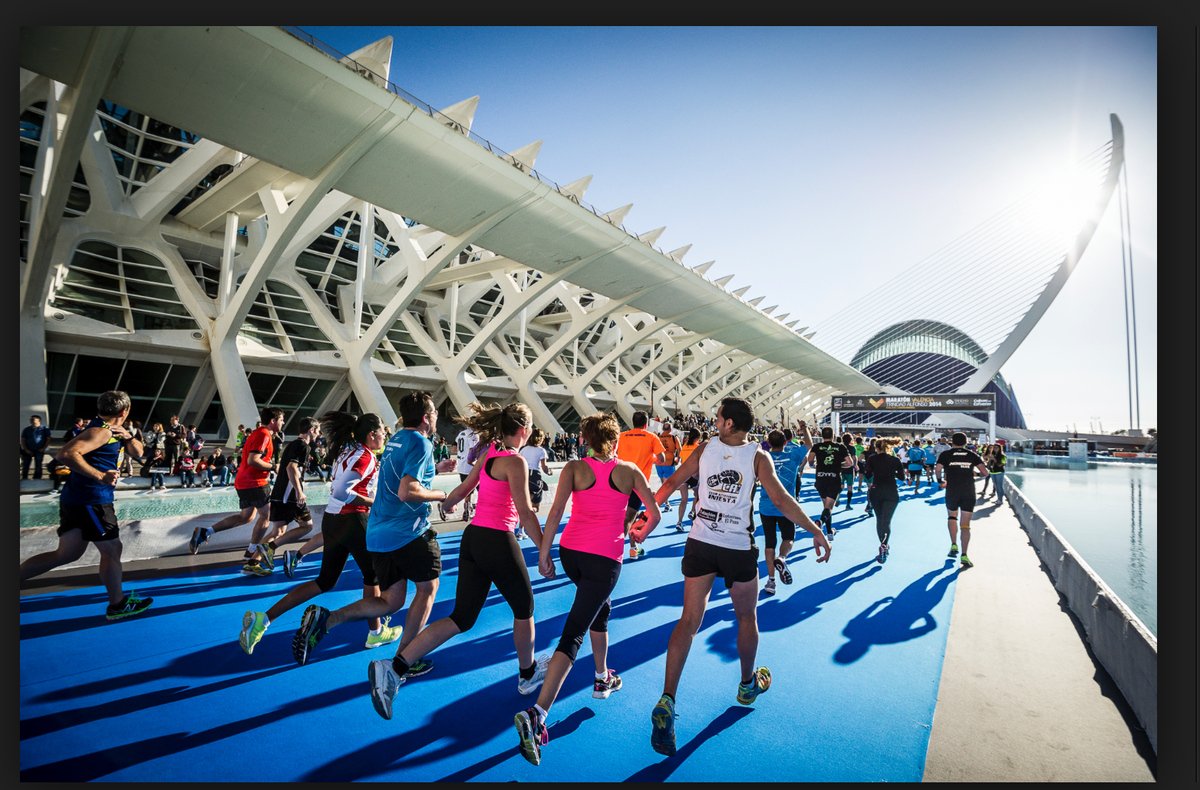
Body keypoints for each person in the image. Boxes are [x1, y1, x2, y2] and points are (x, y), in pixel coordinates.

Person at [644, 397, 832, 757]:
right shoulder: (758, 457)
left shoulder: (704, 449)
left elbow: (671, 485)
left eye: (718, 418)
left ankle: (668, 698)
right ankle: (747, 684)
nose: (714, 422)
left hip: (700, 542)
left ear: (729, 423)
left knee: (688, 620)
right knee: (747, 617)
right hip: (736, 547)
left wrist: (647, 518)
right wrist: (814, 530)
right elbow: (781, 500)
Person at [363, 401, 549, 720]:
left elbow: (465, 487)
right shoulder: (515, 462)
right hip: (497, 540)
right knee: (525, 608)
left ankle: (392, 669)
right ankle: (528, 673)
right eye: (529, 426)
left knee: (461, 617)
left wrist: (446, 503)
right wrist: (544, 549)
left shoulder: (490, 451)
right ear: (524, 430)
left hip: (473, 537)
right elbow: (526, 512)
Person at [514, 413, 661, 766]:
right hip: (604, 559)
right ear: (615, 440)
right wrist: (637, 534)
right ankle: (537, 714)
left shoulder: (574, 469)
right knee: (574, 633)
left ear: (585, 438)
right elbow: (653, 513)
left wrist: (545, 552)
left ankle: (601, 677)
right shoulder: (628, 471)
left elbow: (556, 513)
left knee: (600, 609)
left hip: (572, 554)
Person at [290, 392, 456, 673]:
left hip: (378, 533)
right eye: (436, 414)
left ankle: (327, 619)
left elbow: (396, 477)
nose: (437, 418)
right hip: (407, 532)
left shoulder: (394, 441)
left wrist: (434, 468)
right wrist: (442, 495)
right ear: (427, 418)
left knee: (391, 601)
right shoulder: (422, 442)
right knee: (428, 588)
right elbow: (407, 490)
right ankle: (406, 659)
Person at [239, 411, 402, 655]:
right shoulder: (365, 456)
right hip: (353, 520)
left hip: (333, 521)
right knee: (373, 577)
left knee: (325, 581)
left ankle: (263, 619)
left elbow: (338, 490)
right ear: (372, 434)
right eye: (383, 433)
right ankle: (376, 633)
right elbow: (342, 492)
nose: (384, 437)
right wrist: (374, 502)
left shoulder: (348, 450)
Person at [20, 391, 153, 620]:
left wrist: (128, 437)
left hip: (77, 498)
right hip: (92, 500)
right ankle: (117, 605)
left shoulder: (112, 431)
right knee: (112, 549)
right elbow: (65, 454)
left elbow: (140, 453)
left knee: (66, 554)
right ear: (125, 411)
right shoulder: (100, 431)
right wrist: (100, 476)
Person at [189, 408, 284, 563]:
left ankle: (205, 532)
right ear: (273, 421)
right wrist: (274, 467)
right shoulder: (264, 435)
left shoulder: (257, 433)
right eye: (281, 419)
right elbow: (253, 460)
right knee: (266, 516)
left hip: (243, 481)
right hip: (255, 482)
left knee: (246, 516)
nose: (283, 423)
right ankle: (251, 552)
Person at [241, 417, 320, 577]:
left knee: (278, 530)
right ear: (311, 430)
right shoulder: (303, 446)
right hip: (289, 495)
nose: (318, 435)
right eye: (318, 431)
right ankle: (270, 548)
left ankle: (252, 563)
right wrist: (299, 491)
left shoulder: (291, 444)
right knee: (307, 526)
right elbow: (291, 468)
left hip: (279, 493)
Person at [758, 429, 808, 595]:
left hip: (766, 505)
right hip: (786, 506)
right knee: (788, 538)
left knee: (769, 542)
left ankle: (771, 581)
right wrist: (805, 428)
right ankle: (783, 558)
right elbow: (808, 445)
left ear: (769, 443)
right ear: (786, 442)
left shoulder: (763, 457)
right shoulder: (793, 456)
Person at [615, 411, 666, 560]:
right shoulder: (651, 437)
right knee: (630, 517)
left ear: (632, 422)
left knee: (627, 516)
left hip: (619, 481)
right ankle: (622, 549)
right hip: (638, 484)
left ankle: (632, 548)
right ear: (646, 424)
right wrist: (651, 458)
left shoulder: (622, 436)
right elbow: (661, 459)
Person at [936, 432, 989, 569]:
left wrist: (940, 481)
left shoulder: (946, 454)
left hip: (952, 491)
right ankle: (964, 555)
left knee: (952, 517)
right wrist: (973, 473)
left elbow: (938, 469)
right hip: (968, 491)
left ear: (951, 442)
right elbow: (985, 473)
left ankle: (954, 545)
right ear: (966, 442)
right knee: (965, 524)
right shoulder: (972, 455)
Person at [806, 425, 855, 539]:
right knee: (828, 507)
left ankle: (829, 532)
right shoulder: (840, 447)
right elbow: (850, 463)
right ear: (833, 436)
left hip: (820, 478)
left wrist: (814, 464)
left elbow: (810, 461)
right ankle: (821, 521)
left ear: (822, 435)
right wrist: (839, 464)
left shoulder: (817, 446)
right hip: (834, 479)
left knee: (826, 506)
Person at [864, 438, 904, 564]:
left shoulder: (872, 459)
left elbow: (868, 475)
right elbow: (902, 477)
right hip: (891, 492)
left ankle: (883, 544)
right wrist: (891, 471)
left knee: (879, 520)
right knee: (886, 521)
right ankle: (884, 544)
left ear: (876, 448)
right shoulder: (895, 459)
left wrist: (875, 470)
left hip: (876, 491)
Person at [672, 427, 702, 532]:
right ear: (698, 438)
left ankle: (679, 522)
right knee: (698, 495)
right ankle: (692, 511)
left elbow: (681, 460)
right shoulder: (698, 447)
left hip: (684, 475)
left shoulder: (684, 446)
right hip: (693, 475)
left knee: (683, 499)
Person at [518, 428, 553, 519]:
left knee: (526, 501)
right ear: (540, 439)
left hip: (524, 475)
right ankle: (529, 512)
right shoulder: (541, 451)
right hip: (535, 477)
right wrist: (549, 472)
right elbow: (544, 467)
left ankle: (521, 528)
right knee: (536, 506)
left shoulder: (523, 449)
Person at [455, 422, 481, 523]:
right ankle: (472, 509)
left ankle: (467, 510)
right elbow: (472, 450)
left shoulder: (461, 433)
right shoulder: (474, 435)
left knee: (468, 489)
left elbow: (454, 447)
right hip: (469, 465)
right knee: (477, 488)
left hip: (461, 465)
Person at [654, 421, 682, 510]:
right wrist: (678, 459)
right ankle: (665, 503)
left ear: (663, 429)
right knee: (666, 485)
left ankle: (664, 502)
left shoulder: (658, 437)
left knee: (663, 484)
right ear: (670, 429)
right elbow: (679, 449)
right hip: (668, 462)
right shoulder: (673, 437)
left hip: (659, 462)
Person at [21, 414, 52, 480]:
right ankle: (24, 478)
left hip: (39, 450)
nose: (31, 421)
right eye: (31, 419)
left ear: (39, 420)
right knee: (25, 465)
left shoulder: (44, 429)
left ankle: (37, 479)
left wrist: (43, 448)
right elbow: (23, 439)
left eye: (33, 419)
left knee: (38, 465)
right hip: (28, 450)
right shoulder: (27, 429)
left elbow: (48, 439)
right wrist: (25, 449)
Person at [840, 433, 857, 508]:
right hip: (849, 469)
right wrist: (855, 466)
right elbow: (854, 458)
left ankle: (837, 498)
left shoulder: (839, 447)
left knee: (840, 486)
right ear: (851, 440)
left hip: (840, 469)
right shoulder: (852, 448)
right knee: (850, 487)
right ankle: (848, 504)